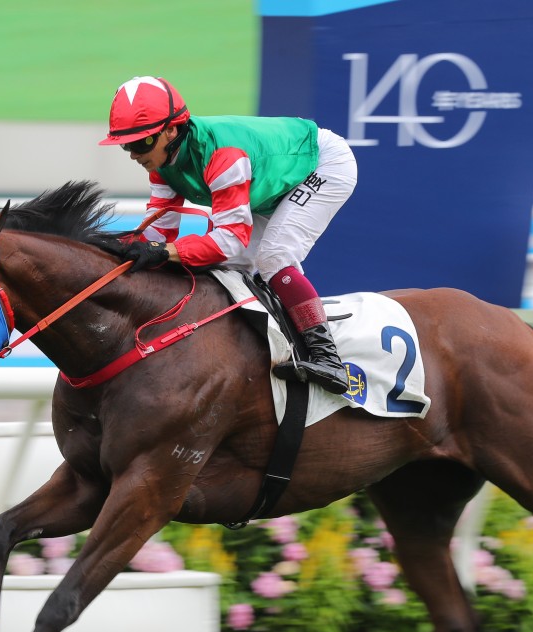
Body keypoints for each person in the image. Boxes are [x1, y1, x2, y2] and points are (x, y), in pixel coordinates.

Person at [97, 76, 356, 395]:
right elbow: (158, 230)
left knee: (273, 258)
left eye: (141, 143)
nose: (134, 154)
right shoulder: (160, 163)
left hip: (323, 165)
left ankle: (328, 358)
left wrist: (164, 252)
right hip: (266, 182)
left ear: (171, 130)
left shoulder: (222, 156)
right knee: (233, 269)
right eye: (126, 145)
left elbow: (228, 239)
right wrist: (118, 249)